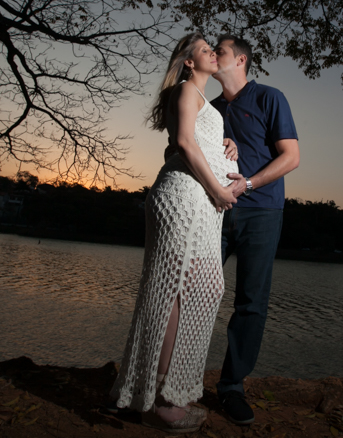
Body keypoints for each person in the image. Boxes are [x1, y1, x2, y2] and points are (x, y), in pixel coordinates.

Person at [109, 33, 239, 433]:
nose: (213, 53)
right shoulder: (185, 89)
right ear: (188, 62)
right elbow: (182, 142)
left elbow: (192, 139)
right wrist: (218, 189)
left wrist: (224, 145)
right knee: (175, 294)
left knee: (204, 287)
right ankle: (161, 400)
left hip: (199, 203)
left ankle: (165, 389)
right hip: (185, 200)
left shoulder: (201, 100)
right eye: (205, 50)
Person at [210, 35, 300, 424]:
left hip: (261, 212)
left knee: (250, 303)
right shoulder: (209, 108)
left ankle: (231, 387)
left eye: (220, 51)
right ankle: (176, 376)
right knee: (196, 293)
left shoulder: (269, 97)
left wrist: (247, 184)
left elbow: (291, 157)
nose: (213, 55)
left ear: (241, 60)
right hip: (214, 211)